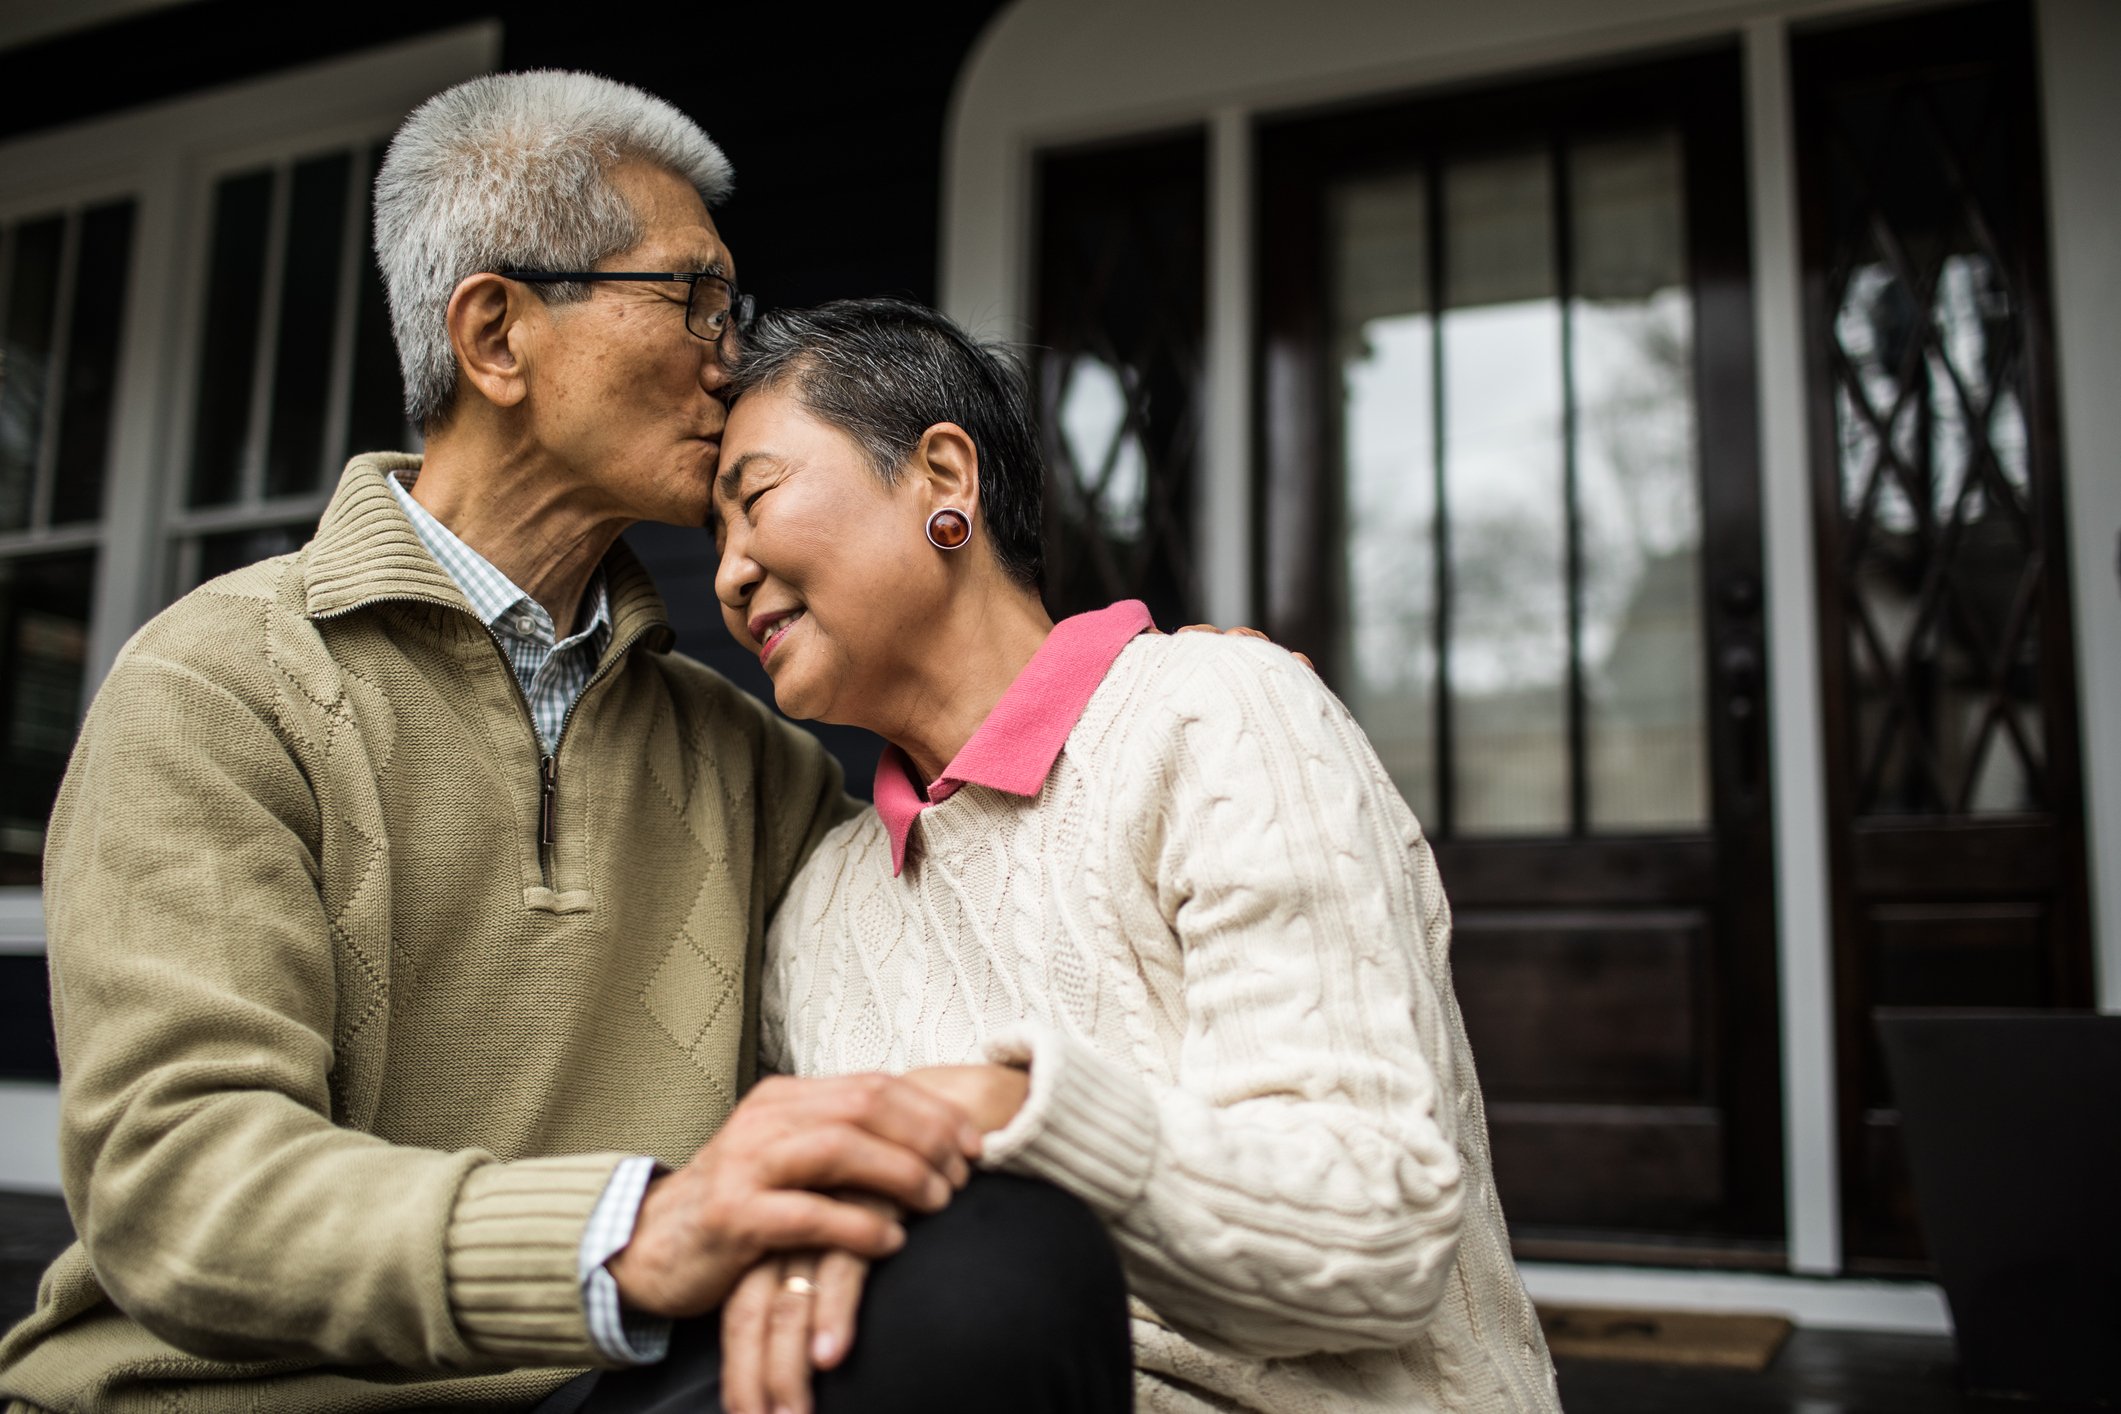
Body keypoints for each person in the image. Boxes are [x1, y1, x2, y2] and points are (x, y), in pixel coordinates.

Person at [0, 73, 1131, 1413]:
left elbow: (954, 932)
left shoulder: (746, 758)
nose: (738, 357)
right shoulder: (218, 684)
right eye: (697, 302)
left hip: (603, 1389)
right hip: (230, 1400)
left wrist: (1140, 704)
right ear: (496, 336)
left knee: (1003, 1266)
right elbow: (178, 1181)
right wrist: (629, 1230)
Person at [703, 298, 1565, 1414]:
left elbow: (1373, 1236)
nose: (727, 573)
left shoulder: (1216, 723)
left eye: (755, 498)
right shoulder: (819, 912)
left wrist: (1004, 1110)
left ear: (944, 479)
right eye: (710, 539)